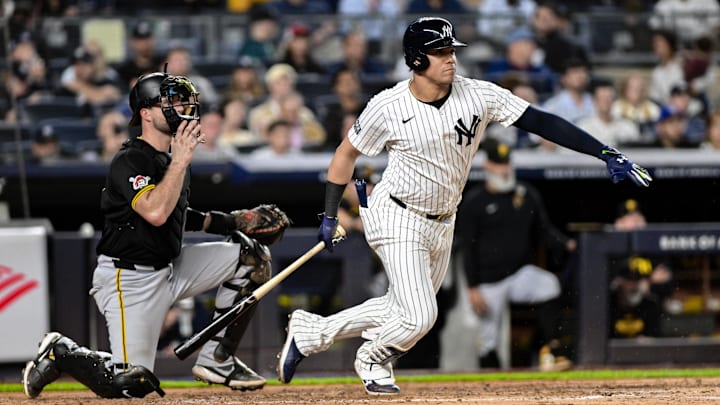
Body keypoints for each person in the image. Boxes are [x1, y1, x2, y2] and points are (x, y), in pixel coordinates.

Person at [277, 16, 651, 396]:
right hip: (395, 212)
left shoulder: (478, 94)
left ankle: (312, 333)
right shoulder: (387, 105)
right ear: (417, 59)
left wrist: (602, 151)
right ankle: (372, 357)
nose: (451, 58)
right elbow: (345, 155)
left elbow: (541, 121)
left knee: (398, 309)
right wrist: (328, 213)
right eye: (441, 52)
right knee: (421, 316)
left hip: (443, 218)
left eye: (452, 50)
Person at [22, 72, 291, 399]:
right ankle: (61, 353)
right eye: (171, 100)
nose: (181, 106)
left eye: (181, 99)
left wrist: (232, 222)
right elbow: (155, 211)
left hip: (171, 265)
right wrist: (180, 161)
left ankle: (217, 360)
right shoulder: (130, 158)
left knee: (252, 256)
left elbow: (175, 216)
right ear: (146, 113)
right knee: (129, 385)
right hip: (129, 279)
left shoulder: (172, 157)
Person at [457, 138, 575, 371]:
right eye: (499, 165)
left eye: (507, 164)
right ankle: (491, 384)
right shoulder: (474, 202)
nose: (504, 170)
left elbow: (544, 230)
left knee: (549, 285)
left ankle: (548, 349)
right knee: (488, 342)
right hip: (488, 281)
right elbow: (467, 248)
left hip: (519, 272)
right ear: (488, 166)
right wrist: (472, 288)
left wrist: (568, 244)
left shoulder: (525, 194)